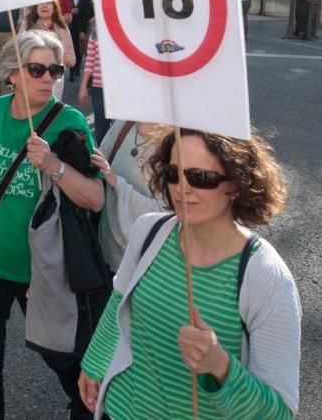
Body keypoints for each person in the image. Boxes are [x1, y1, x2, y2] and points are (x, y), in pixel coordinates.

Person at [79, 128, 301, 419]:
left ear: (235, 183)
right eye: (173, 173)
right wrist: (94, 363)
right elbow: (120, 300)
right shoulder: (148, 231)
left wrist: (221, 366)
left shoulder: (266, 277)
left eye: (201, 178)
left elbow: (279, 413)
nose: (182, 188)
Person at [0, 30, 104, 419]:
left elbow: (95, 197)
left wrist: (53, 166)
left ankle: (89, 408)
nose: (48, 79)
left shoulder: (67, 121)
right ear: (12, 74)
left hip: (44, 271)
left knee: (66, 362)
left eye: (54, 70)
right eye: (36, 69)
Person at [87, 121, 166, 273]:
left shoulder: (174, 146)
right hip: (106, 247)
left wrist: (116, 182)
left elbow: (163, 213)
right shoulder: (124, 125)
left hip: (145, 261)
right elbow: (99, 163)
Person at [18, 0, 76, 100]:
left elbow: (70, 58)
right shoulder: (27, 24)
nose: (44, 6)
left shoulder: (61, 27)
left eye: (48, 3)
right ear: (36, 8)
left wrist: (55, 54)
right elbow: (17, 50)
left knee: (50, 110)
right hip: (31, 73)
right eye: (41, 3)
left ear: (54, 8)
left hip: (53, 77)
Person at [77, 21, 110, 144]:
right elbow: (90, 59)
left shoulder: (126, 24)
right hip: (99, 86)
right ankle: (104, 154)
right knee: (100, 126)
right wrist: (83, 86)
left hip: (120, 87)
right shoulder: (96, 29)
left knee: (118, 126)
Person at [67, 0, 93, 81]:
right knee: (72, 49)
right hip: (71, 29)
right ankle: (72, 71)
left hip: (82, 29)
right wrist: (70, 11)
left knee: (80, 50)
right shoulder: (68, 0)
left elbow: (89, 15)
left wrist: (83, 31)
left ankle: (77, 67)